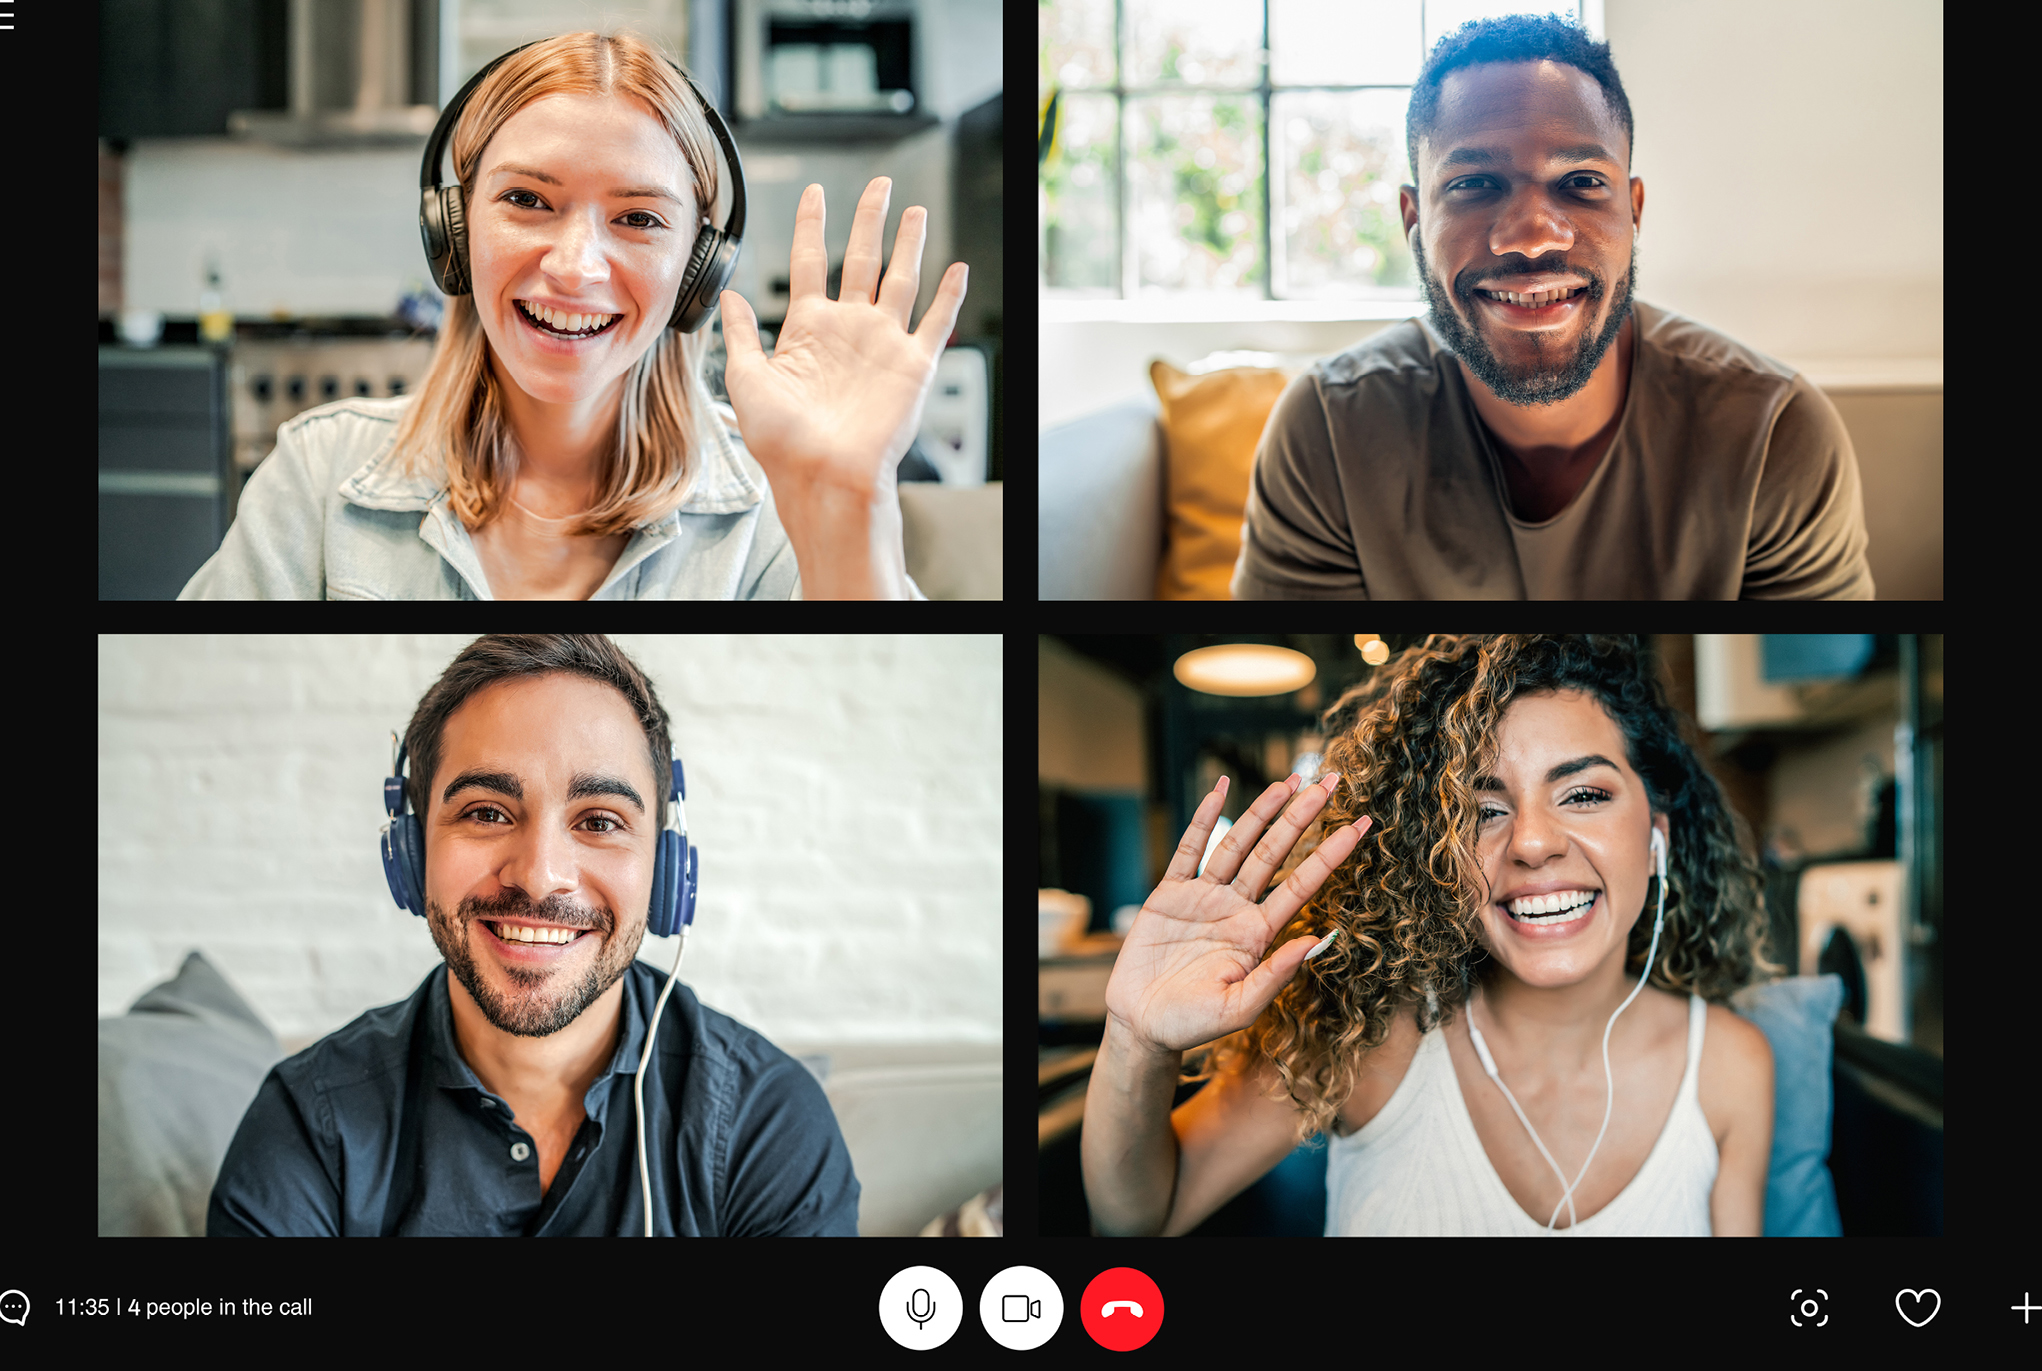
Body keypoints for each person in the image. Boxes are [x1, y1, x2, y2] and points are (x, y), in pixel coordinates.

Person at [179, 29, 966, 600]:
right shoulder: (317, 480)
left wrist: (846, 502)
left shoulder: (770, 505)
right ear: (452, 230)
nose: (575, 266)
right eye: (526, 200)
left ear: (699, 268)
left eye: (639, 218)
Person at [1082, 634, 1777, 1236]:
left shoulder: (1729, 1065)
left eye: (1584, 793)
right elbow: (1140, 1216)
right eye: (1481, 809)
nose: (1532, 841)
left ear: (1657, 835)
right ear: (1434, 853)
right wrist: (1136, 1038)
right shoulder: (1373, 1038)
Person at [208, 634, 859, 1234]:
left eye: (599, 820)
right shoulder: (306, 1127)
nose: (541, 876)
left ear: (667, 868)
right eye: (487, 811)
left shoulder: (767, 1123)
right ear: (411, 853)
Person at [1230, 14, 1873, 599]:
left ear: (1634, 211)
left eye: (1582, 183)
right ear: (1413, 219)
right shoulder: (1327, 433)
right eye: (1474, 184)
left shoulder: (1775, 435)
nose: (1532, 234)